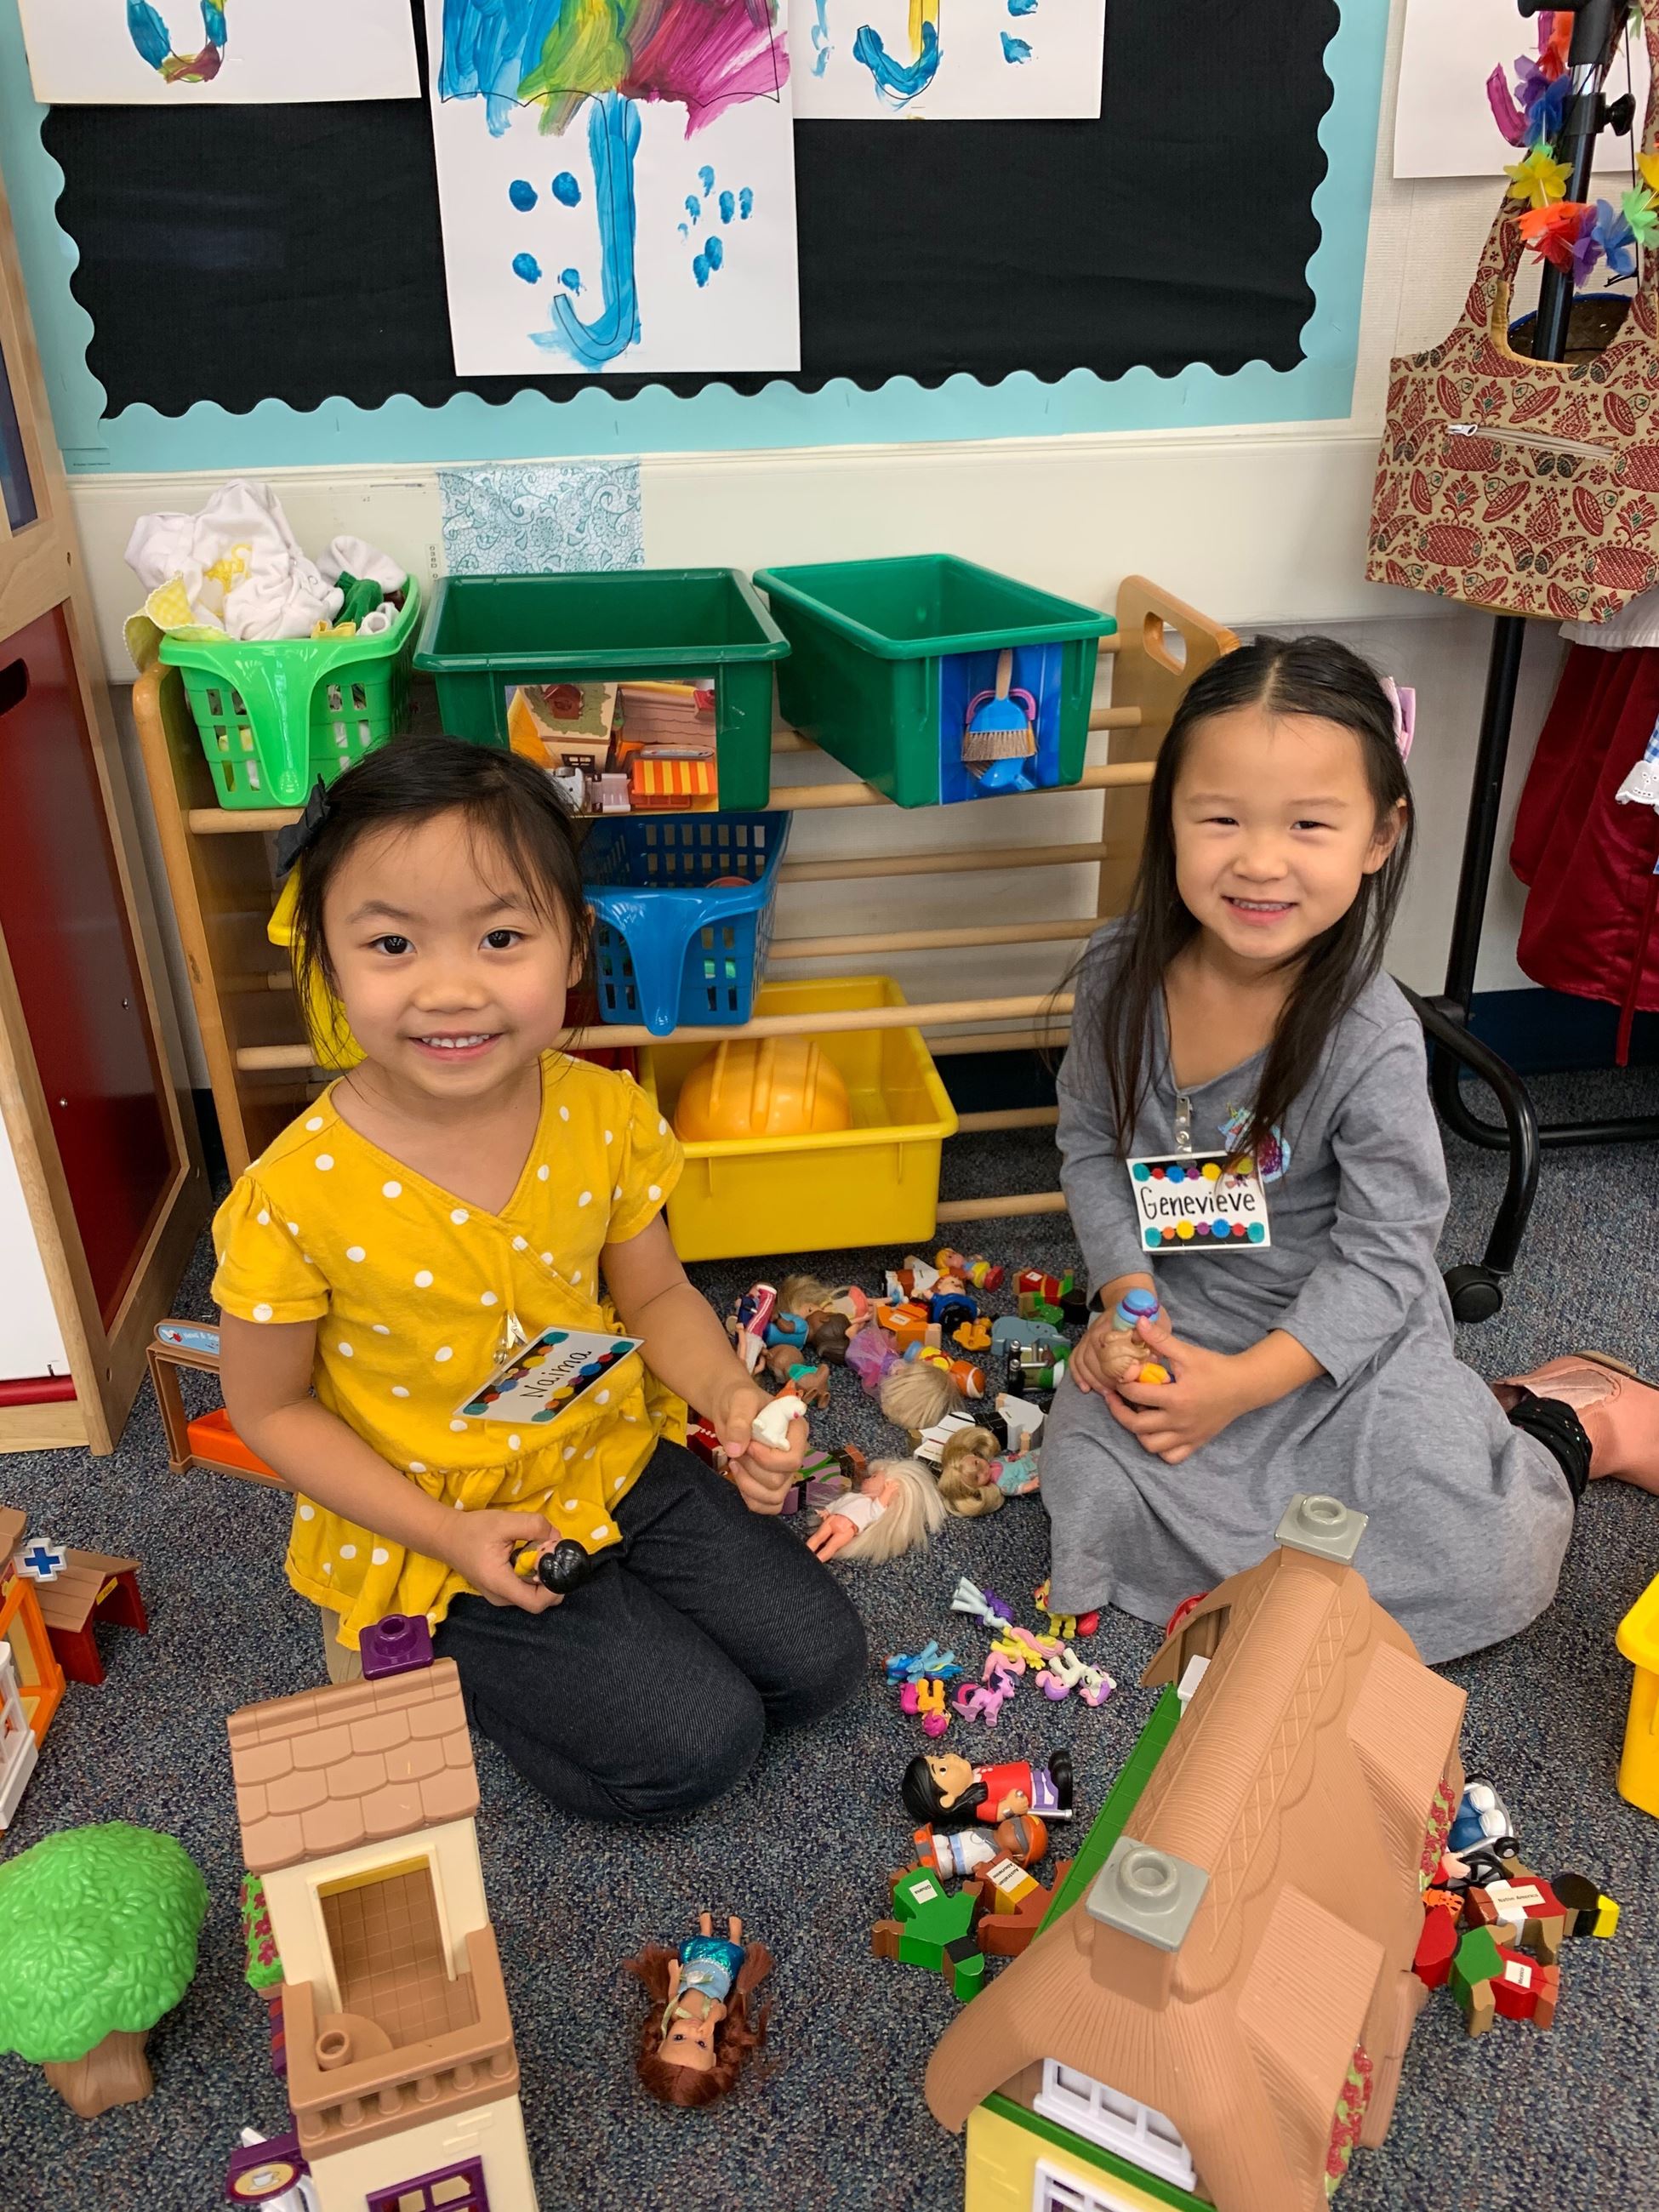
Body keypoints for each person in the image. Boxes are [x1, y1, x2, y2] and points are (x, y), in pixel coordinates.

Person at [214, 734, 864, 1820]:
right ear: (327, 962)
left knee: (820, 1662)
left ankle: (612, 1632)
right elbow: (268, 1407)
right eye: (390, 943)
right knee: (699, 1747)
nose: (452, 987)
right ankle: (452, 1666)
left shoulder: (601, 1112)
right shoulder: (296, 1194)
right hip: (436, 1515)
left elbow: (654, 1296)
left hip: (602, 1449)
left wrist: (735, 1400)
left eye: (502, 935)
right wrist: (446, 1537)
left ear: (573, 950)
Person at [1043, 636, 1658, 1666]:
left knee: (1483, 1554)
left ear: (1380, 835)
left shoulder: (1367, 1032)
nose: (1259, 859)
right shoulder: (1117, 972)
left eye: (1310, 824)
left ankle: (1567, 1419)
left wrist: (1242, 1387)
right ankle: (1484, 1412)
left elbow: (1383, 1255)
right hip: (1185, 1306)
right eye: (1222, 817)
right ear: (1171, 818)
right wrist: (1127, 1307)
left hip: (1338, 1340)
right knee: (1091, 1493)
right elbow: (1091, 1152)